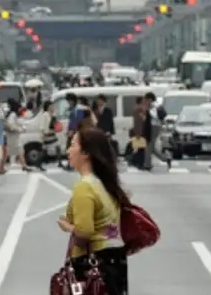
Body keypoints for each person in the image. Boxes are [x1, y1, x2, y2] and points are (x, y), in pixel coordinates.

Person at [58, 128, 128, 295]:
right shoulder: (103, 184)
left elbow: (84, 233)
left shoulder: (84, 187)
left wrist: (67, 226)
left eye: (73, 145)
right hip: (114, 262)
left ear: (86, 153)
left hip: (91, 265)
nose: (68, 150)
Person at [5, 98, 29, 171]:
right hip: (13, 136)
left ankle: (24, 165)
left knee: (17, 151)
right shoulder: (13, 114)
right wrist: (19, 129)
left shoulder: (12, 114)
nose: (20, 109)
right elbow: (11, 125)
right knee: (17, 150)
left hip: (13, 136)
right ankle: (24, 165)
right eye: (19, 108)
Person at [141, 92, 158, 171]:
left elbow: (153, 116)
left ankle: (148, 164)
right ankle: (166, 158)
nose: (145, 101)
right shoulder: (153, 106)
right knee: (152, 147)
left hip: (154, 127)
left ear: (150, 99)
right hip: (152, 127)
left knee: (149, 146)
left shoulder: (154, 106)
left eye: (146, 99)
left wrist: (147, 110)